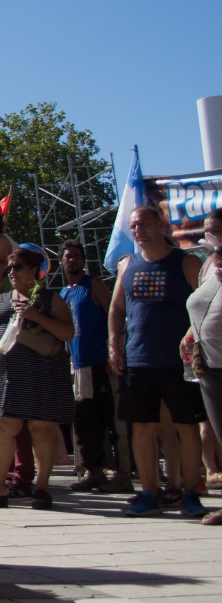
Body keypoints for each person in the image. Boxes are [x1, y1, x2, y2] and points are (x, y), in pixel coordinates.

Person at [106, 204, 207, 517]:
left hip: (178, 361)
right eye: (134, 226)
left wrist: (192, 336)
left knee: (187, 427)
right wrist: (115, 344)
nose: (139, 230)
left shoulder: (186, 262)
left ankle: (189, 492)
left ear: (162, 225)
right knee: (142, 428)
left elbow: (203, 305)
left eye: (145, 224)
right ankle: (149, 491)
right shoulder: (127, 265)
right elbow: (116, 309)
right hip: (138, 359)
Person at [0, 247, 75, 509]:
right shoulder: (2, 300)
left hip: (43, 373)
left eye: (18, 267)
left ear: (34, 270)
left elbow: (67, 333)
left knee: (42, 428)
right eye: (9, 268)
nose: (12, 272)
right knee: (1, 427)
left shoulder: (51, 299)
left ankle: (41, 487)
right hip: (5, 373)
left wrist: (34, 315)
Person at [58, 241, 125, 493]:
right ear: (62, 262)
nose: (72, 260)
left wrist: (113, 348)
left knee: (111, 418)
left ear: (84, 260)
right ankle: (94, 470)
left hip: (99, 361)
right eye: (68, 257)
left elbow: (113, 314)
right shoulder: (64, 293)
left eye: (76, 256)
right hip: (77, 366)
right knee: (85, 421)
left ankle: (122, 472)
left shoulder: (93, 285)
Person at [185, 209, 222, 526]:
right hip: (209, 361)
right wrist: (190, 334)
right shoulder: (208, 262)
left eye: (218, 231)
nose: (213, 236)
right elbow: (199, 301)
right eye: (209, 231)